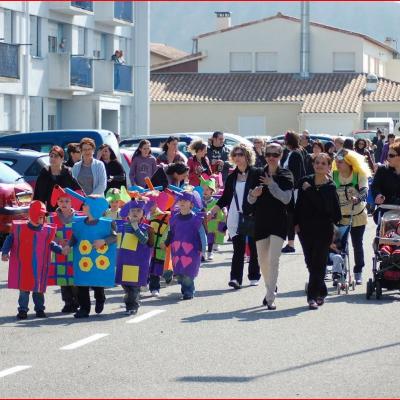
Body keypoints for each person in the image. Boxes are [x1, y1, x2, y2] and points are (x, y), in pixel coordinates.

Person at [247, 142, 294, 310]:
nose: (271, 158)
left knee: (273, 260)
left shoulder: (286, 174)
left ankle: (270, 298)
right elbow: (249, 200)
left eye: (275, 155)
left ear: (281, 156)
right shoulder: (257, 173)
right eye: (268, 154)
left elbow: (286, 199)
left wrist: (271, 184)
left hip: (279, 222)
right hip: (260, 221)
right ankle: (271, 288)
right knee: (263, 261)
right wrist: (254, 194)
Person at [294, 153, 341, 310]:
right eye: (317, 162)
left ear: (329, 166)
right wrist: (294, 223)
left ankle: (312, 297)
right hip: (305, 229)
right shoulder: (304, 181)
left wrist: (311, 192)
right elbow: (297, 205)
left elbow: (327, 210)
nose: (319, 165)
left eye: (323, 163)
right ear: (313, 164)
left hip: (324, 229)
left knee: (319, 262)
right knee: (310, 261)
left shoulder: (330, 186)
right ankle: (322, 289)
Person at [210, 144, 261, 289]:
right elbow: (225, 198)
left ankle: (254, 275)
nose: (238, 157)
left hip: (252, 215)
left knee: (253, 246)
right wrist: (213, 211)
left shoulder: (257, 173)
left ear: (247, 156)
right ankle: (235, 278)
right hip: (234, 215)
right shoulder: (232, 177)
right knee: (238, 248)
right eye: (236, 155)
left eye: (241, 154)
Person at [1, 201, 61, 319]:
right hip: (24, 266)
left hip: (39, 266)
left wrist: (60, 250)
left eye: (43, 215)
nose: (42, 218)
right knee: (24, 289)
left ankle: (39, 309)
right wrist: (4, 252)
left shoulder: (45, 230)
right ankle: (23, 310)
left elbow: (50, 243)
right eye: (39, 215)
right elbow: (10, 239)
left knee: (38, 290)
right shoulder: (20, 229)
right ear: (32, 214)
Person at [63, 193, 117, 318]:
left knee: (96, 283)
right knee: (82, 284)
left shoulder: (107, 224)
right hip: (83, 260)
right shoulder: (79, 223)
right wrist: (68, 246)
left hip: (99, 260)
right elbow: (75, 236)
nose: (83, 206)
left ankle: (100, 298)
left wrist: (103, 241)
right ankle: (84, 308)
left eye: (86, 205)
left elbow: (114, 237)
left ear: (94, 208)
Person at [332, 149, 370, 285]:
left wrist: (358, 197)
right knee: (340, 245)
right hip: (340, 216)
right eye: (336, 162)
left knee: (357, 244)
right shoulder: (334, 175)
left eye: (341, 162)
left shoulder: (358, 174)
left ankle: (358, 271)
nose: (338, 164)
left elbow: (365, 190)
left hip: (357, 214)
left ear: (349, 163)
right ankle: (340, 272)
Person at [162, 190, 207, 300]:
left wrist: (203, 249)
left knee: (188, 274)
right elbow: (171, 232)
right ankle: (185, 288)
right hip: (177, 249)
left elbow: (202, 234)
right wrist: (166, 242)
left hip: (192, 250)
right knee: (180, 274)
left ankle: (188, 291)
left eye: (185, 201)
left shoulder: (196, 219)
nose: (182, 202)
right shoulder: (174, 219)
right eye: (180, 200)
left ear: (191, 204)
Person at [115, 199, 154, 315]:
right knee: (126, 285)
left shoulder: (144, 228)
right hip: (123, 262)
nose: (135, 213)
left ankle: (132, 306)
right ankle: (132, 300)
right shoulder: (121, 226)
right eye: (133, 210)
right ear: (128, 213)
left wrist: (136, 229)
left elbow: (144, 240)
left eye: (138, 210)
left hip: (136, 263)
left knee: (133, 287)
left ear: (143, 214)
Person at [47, 186, 80, 313]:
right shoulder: (51, 218)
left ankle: (77, 301)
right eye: (61, 201)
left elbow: (80, 233)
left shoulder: (78, 217)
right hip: (59, 253)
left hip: (75, 253)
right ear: (57, 202)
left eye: (67, 201)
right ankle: (68, 302)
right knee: (63, 279)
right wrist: (58, 239)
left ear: (72, 203)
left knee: (74, 279)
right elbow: (49, 233)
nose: (64, 204)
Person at [33, 145, 82, 212]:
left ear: (62, 158)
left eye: (56, 156)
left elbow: (78, 191)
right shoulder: (45, 172)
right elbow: (38, 195)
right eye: (51, 156)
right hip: (50, 211)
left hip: (66, 211)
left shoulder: (68, 172)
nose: (52, 158)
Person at [280, 131, 306, 253]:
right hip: (289, 189)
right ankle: (290, 242)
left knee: (291, 216)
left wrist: (289, 188)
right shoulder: (291, 153)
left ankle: (291, 243)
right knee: (289, 216)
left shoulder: (295, 154)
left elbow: (296, 174)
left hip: (293, 190)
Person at [201, 176, 226, 261]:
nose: (205, 192)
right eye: (203, 190)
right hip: (202, 224)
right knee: (203, 238)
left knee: (211, 238)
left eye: (207, 190)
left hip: (213, 225)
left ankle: (210, 252)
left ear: (212, 191)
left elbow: (222, 207)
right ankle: (202, 253)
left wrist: (225, 213)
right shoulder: (200, 201)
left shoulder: (215, 201)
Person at [371, 141, 400, 210]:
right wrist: (378, 195)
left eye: (391, 155)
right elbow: (375, 186)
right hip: (385, 211)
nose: (388, 158)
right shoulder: (382, 170)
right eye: (387, 155)